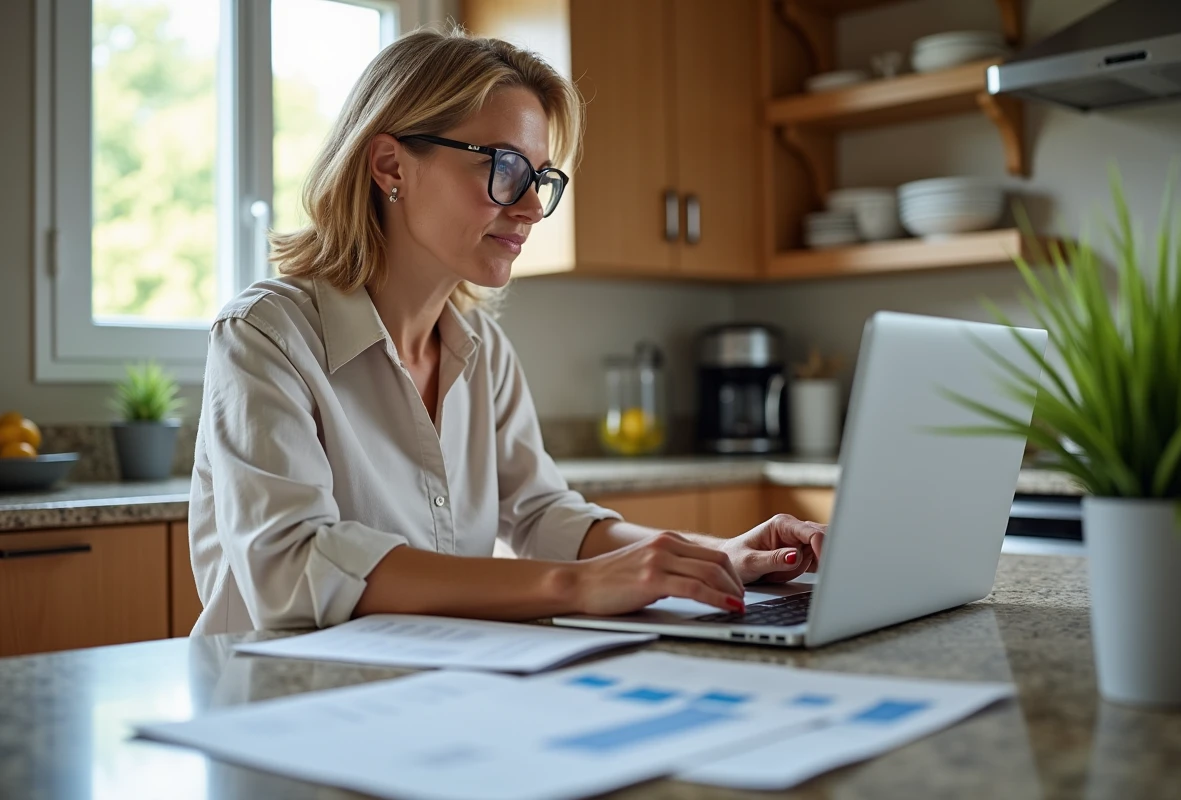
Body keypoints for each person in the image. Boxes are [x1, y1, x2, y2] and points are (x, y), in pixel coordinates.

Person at [188, 26, 825, 635]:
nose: (530, 207)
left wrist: (714, 556)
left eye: (539, 178)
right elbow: (292, 567)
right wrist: (577, 586)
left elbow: (543, 514)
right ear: (390, 166)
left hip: (433, 681)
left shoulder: (482, 350)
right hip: (279, 691)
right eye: (505, 167)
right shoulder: (266, 336)